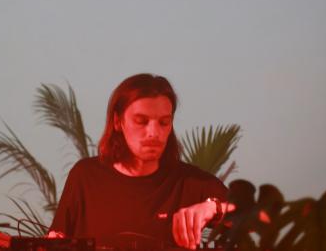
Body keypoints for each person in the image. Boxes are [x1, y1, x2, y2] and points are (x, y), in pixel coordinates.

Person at [48, 73, 228, 250]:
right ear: (118, 122)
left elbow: (244, 214)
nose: (153, 132)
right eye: (141, 121)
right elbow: (57, 237)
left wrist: (214, 208)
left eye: (164, 122)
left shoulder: (190, 181)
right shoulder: (86, 175)